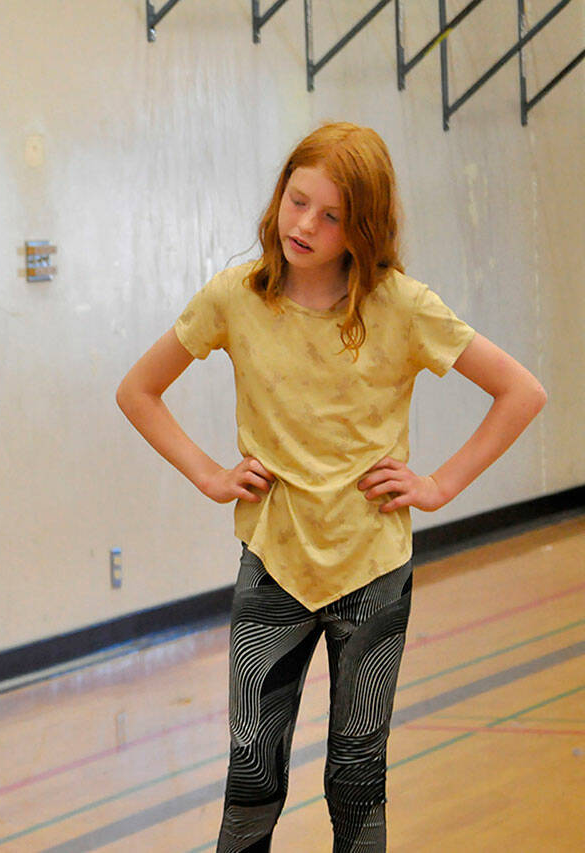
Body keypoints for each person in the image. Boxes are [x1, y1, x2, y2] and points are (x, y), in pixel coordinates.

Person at [116, 122, 546, 851]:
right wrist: (210, 474)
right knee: (252, 778)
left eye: (331, 215)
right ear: (279, 195)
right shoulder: (234, 298)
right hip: (273, 567)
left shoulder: (402, 305)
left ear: (363, 228)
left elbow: (521, 392)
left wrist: (438, 485)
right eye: (297, 201)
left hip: (372, 573)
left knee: (356, 779)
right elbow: (138, 390)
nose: (305, 225)